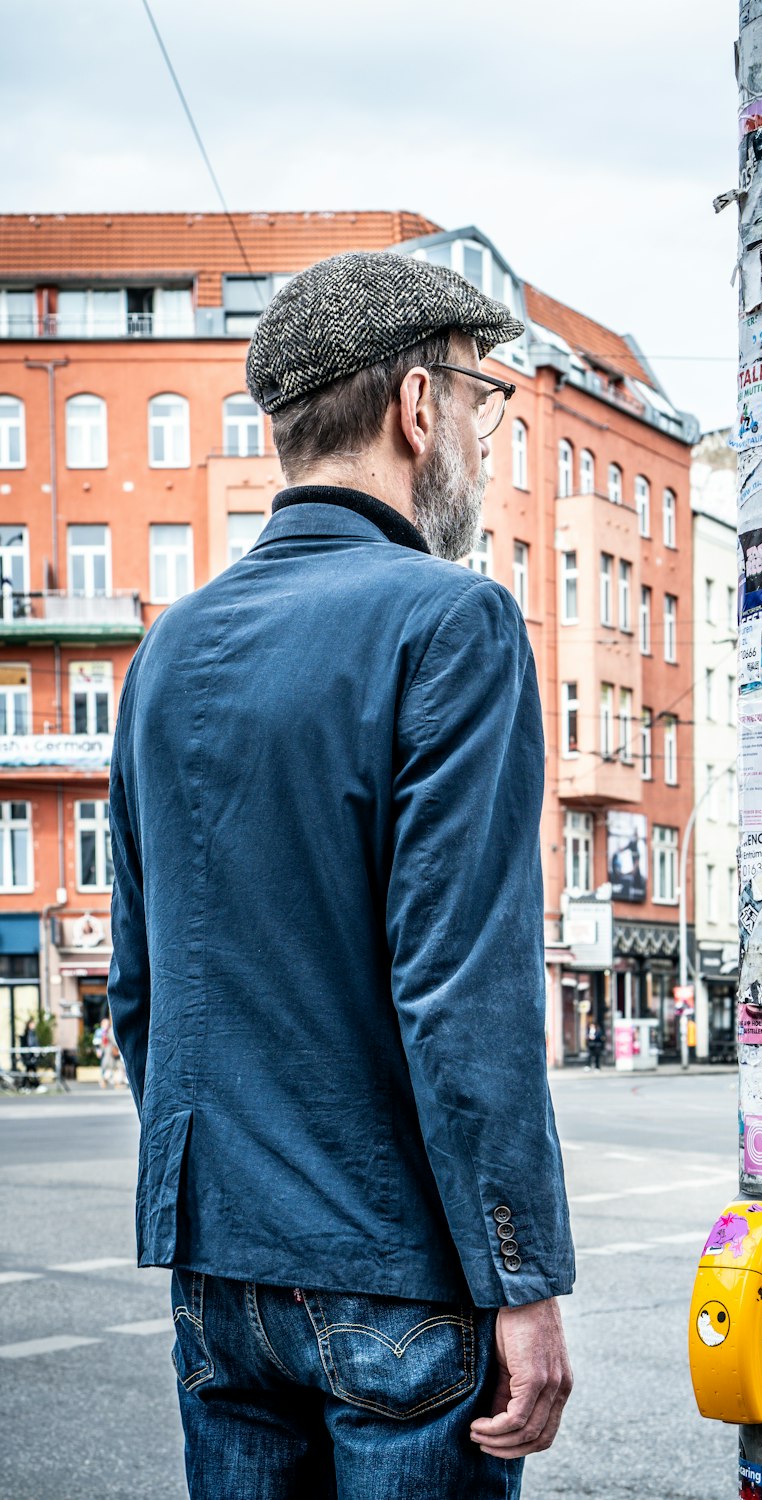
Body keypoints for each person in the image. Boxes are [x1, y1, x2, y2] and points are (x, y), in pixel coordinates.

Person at [108, 251, 574, 1500]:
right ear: (419, 407)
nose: (479, 431)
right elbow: (463, 994)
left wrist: (216, 1221)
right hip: (397, 1281)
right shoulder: (451, 622)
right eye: (483, 402)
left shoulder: (168, 649)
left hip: (222, 1285)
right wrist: (521, 1281)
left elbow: (139, 991)